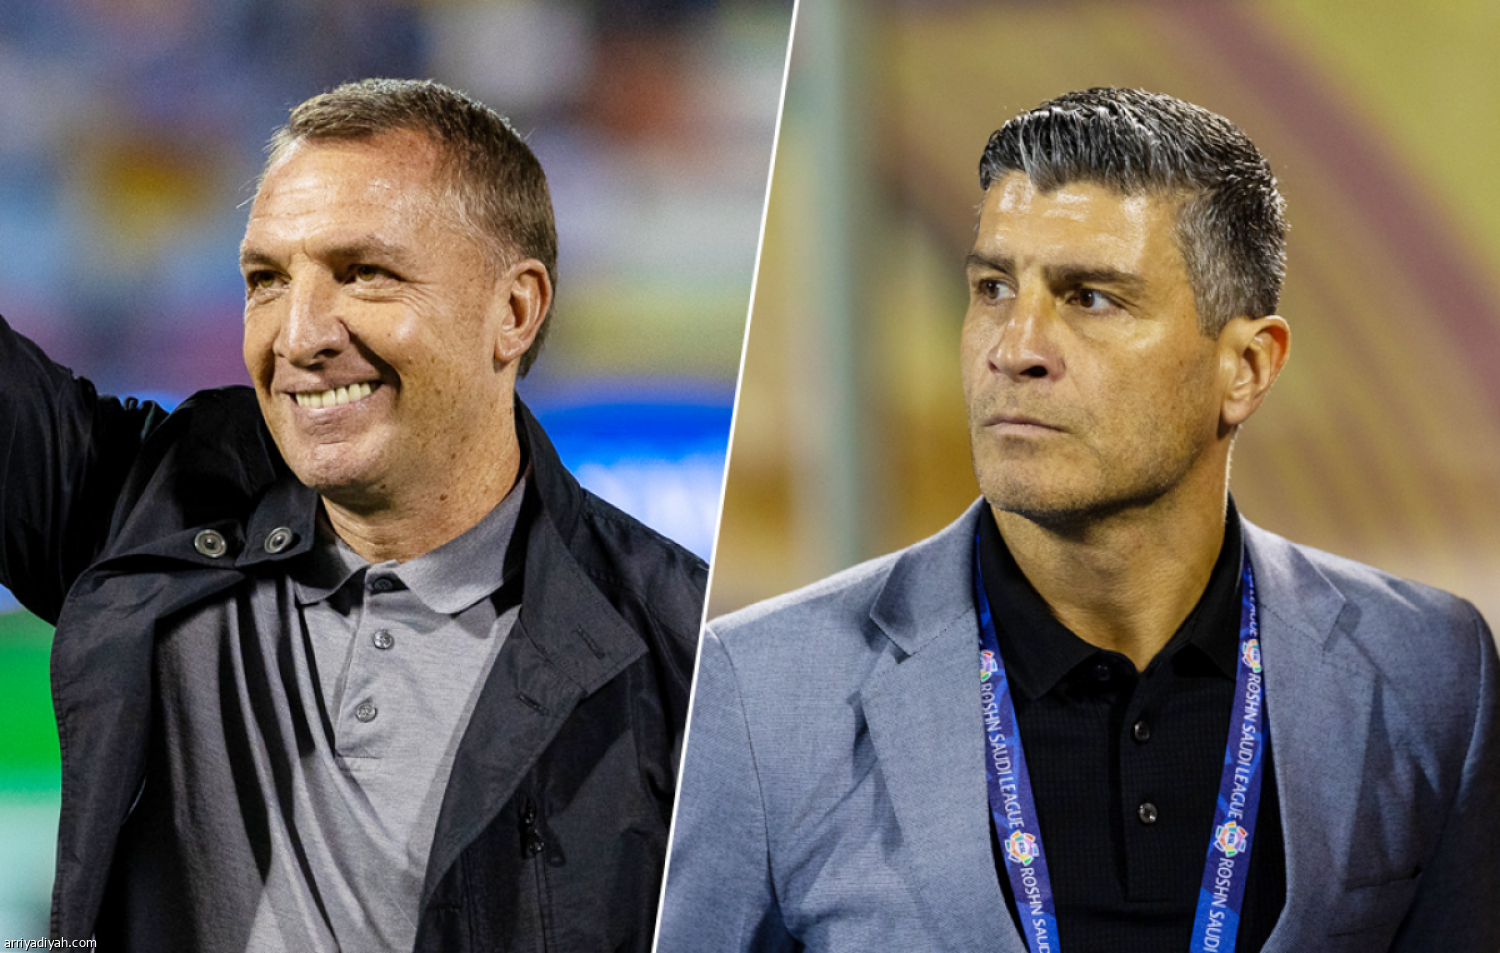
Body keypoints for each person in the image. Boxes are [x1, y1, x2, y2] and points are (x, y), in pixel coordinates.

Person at [657, 88, 1500, 953]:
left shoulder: (1430, 671)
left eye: (1090, 298)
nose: (1014, 348)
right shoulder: (759, 692)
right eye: (993, 288)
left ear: (1247, 367)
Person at [0, 78, 706, 952]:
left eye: (364, 273)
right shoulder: (152, 506)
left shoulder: (689, 661)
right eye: (266, 280)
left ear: (514, 311)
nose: (298, 336)